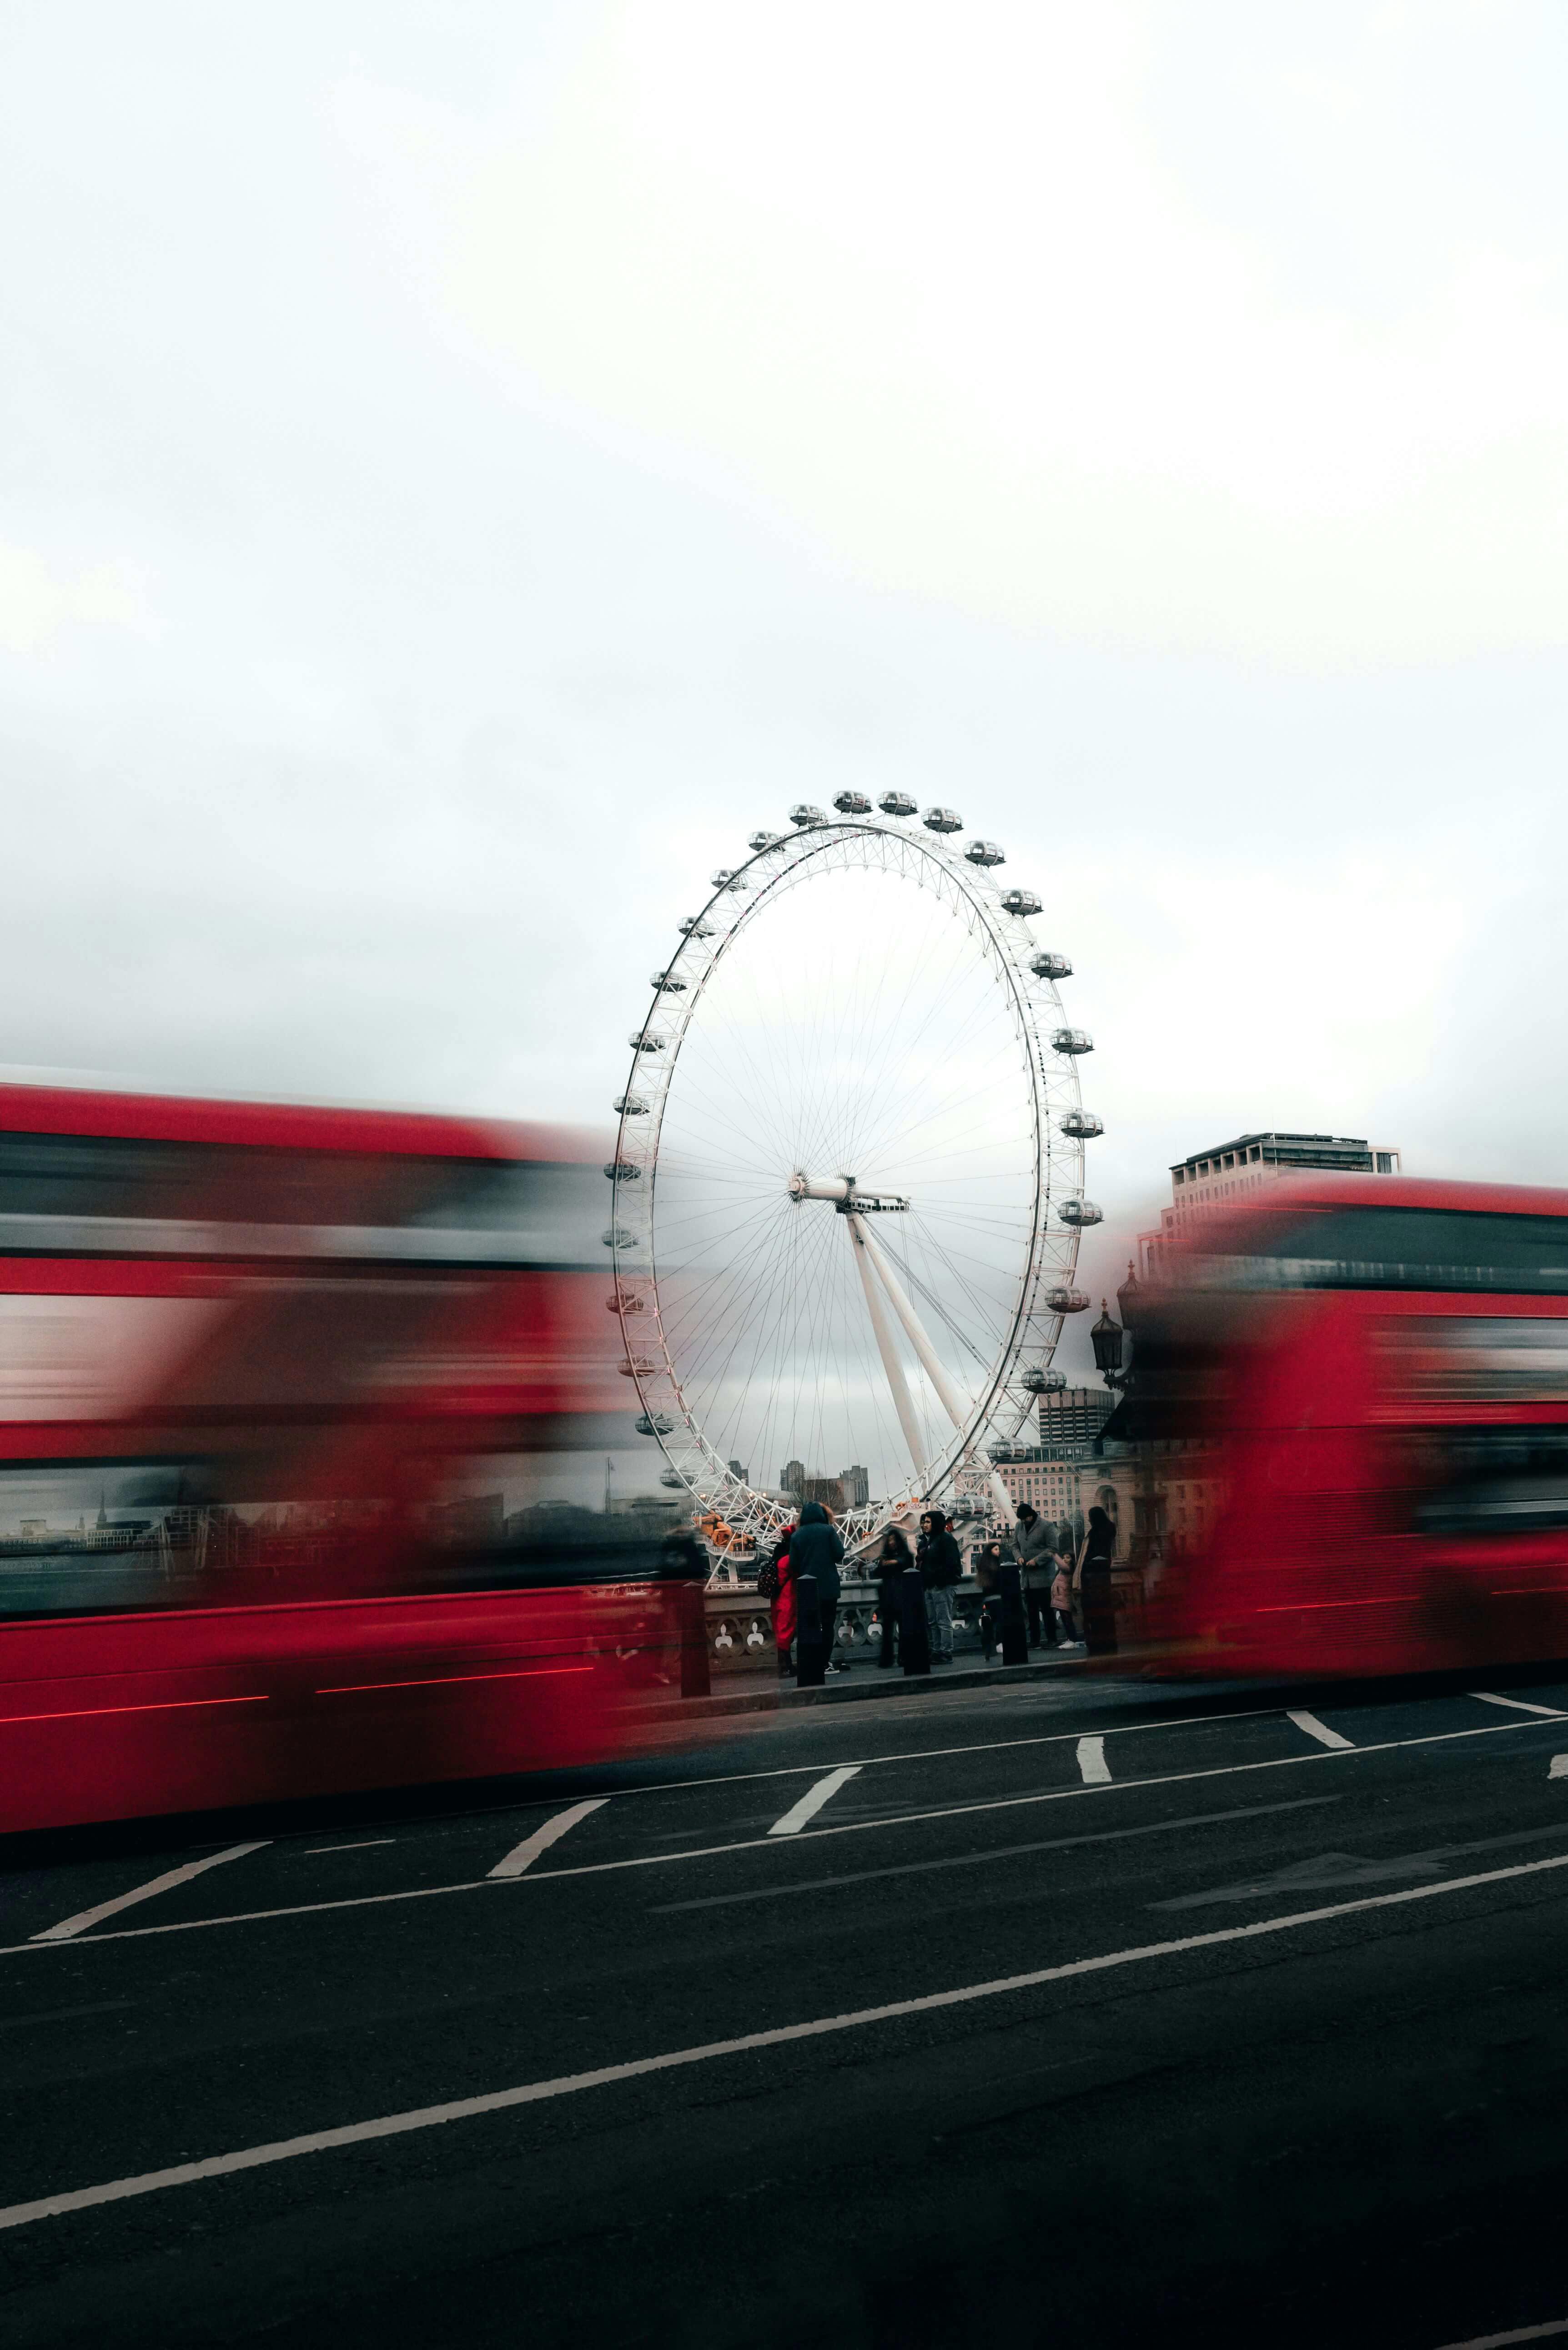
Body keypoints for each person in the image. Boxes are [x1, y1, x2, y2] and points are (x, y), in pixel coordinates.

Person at [789, 1500, 844, 1678]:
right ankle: (824, 1663)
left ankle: (810, 1662)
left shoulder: (797, 1535)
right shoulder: (828, 1530)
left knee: (810, 1626)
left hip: (807, 1588)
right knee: (828, 1626)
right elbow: (839, 1554)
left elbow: (793, 1564)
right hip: (828, 1586)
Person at [917, 1508, 963, 1663]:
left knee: (943, 1621)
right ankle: (936, 1651)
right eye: (924, 1522)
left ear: (936, 1523)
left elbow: (952, 1564)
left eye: (928, 1522)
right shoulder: (930, 1540)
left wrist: (939, 1580)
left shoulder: (946, 1540)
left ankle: (946, 1652)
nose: (925, 1525)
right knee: (933, 1622)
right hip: (930, 1586)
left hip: (942, 1586)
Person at [1075, 1503, 1117, 1656]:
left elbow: (1092, 1554)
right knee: (1104, 1614)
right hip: (1101, 1579)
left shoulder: (1097, 1533)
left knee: (1095, 1613)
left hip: (1093, 1580)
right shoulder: (1108, 1529)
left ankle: (1098, 1644)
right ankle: (1107, 1644)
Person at [1015, 1503, 1057, 1648]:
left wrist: (1037, 1561)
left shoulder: (1047, 1526)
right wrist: (1019, 1557)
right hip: (1027, 1579)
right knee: (1031, 1612)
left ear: (1031, 1516)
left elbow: (1053, 1549)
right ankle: (1035, 1641)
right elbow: (1014, 1545)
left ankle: (1052, 1639)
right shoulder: (1019, 1526)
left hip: (1044, 1577)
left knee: (1047, 1610)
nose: (1022, 1522)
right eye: (1020, 1520)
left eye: (1024, 1519)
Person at [872, 1525, 911, 1667]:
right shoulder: (886, 1558)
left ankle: (902, 1658)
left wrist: (893, 1562)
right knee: (888, 1631)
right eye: (890, 1540)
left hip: (900, 1598)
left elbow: (906, 1563)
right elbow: (877, 1573)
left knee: (903, 1630)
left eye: (894, 1539)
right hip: (889, 1599)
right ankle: (888, 1659)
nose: (891, 1542)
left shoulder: (905, 1556)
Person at [765, 1522, 796, 1677]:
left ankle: (785, 1665)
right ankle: (786, 1667)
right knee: (786, 1632)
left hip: (777, 1599)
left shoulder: (777, 1557)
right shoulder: (789, 1559)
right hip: (788, 1598)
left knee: (781, 1632)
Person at [1050, 1526, 1081, 1651]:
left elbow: (1062, 1565)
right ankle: (1070, 1639)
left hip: (1065, 1599)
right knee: (1065, 1620)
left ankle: (1072, 1640)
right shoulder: (1062, 1571)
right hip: (1061, 1599)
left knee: (1068, 1620)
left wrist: (1053, 1554)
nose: (1065, 1559)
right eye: (1064, 1557)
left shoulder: (1068, 1570)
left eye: (1068, 1557)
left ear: (1072, 1560)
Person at [975, 1539, 1004, 1658]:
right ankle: (999, 1643)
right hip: (997, 1597)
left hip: (988, 1598)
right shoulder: (995, 1566)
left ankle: (990, 1646)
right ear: (991, 1551)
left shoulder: (983, 1565)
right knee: (1000, 1622)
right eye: (996, 1549)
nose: (999, 1552)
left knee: (990, 1623)